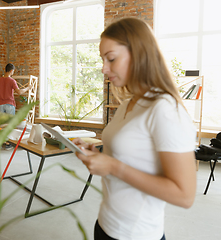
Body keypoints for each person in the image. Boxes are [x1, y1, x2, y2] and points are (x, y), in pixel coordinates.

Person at [73, 18, 197, 240]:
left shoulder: (165, 109)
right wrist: (98, 154)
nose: (104, 68)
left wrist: (113, 166)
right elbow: (132, 157)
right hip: (105, 225)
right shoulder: (129, 104)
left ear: (139, 53)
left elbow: (184, 195)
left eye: (111, 58)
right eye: (103, 59)